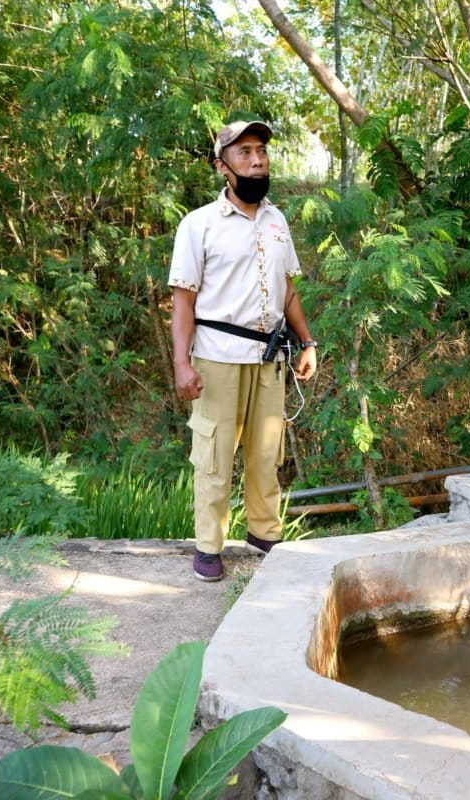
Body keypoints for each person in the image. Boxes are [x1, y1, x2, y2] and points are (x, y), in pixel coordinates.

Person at [168, 119, 318, 581]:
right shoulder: (199, 225)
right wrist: (181, 363)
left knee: (266, 453)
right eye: (245, 152)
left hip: (269, 359)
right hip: (217, 357)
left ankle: (264, 534)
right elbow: (183, 300)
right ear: (222, 166)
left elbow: (287, 289)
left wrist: (307, 342)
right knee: (214, 456)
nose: (257, 161)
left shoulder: (276, 221)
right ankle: (209, 547)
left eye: (261, 152)